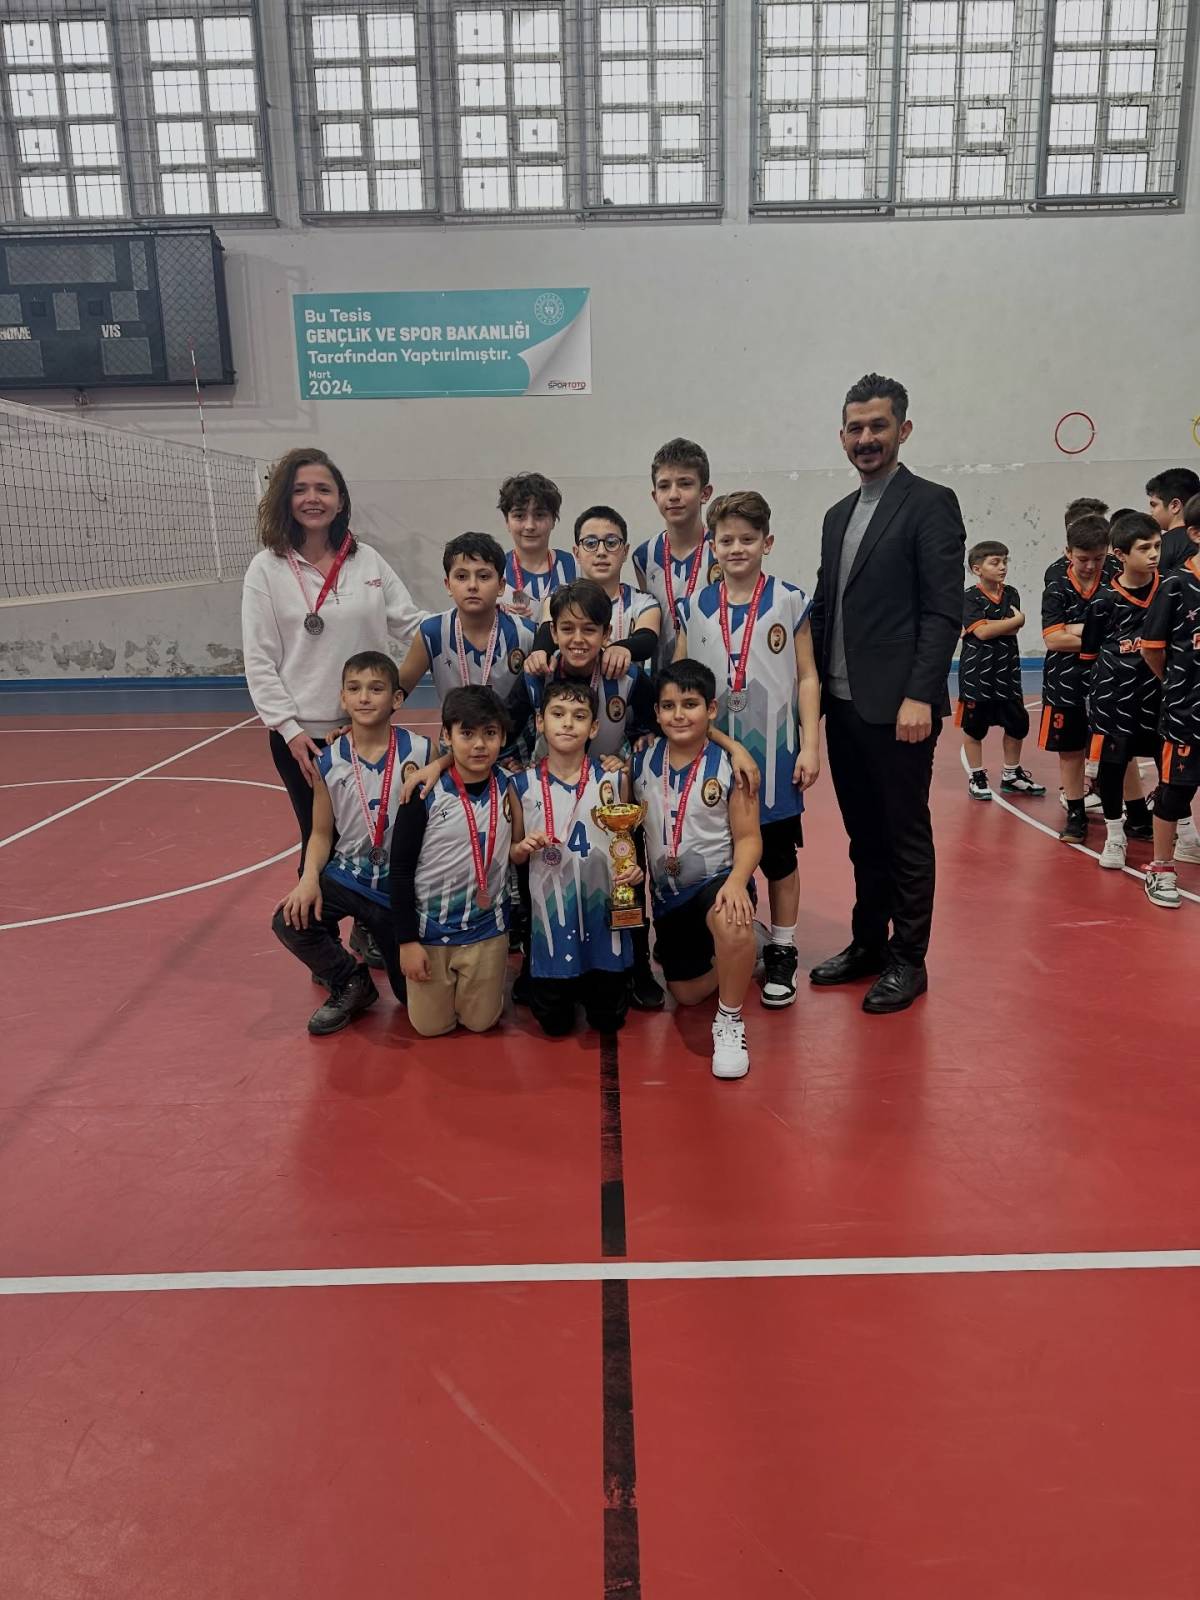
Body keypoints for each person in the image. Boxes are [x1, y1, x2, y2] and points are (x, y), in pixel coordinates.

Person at [808, 373, 966, 1013]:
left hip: (900, 709)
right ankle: (869, 943)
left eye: (878, 426)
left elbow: (943, 610)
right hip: (844, 706)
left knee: (904, 836)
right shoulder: (836, 515)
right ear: (842, 436)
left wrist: (920, 695)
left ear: (903, 429)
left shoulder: (930, 503)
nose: (866, 438)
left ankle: (908, 960)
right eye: (856, 428)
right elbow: (825, 605)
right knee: (862, 836)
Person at [242, 447, 425, 969]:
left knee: (377, 832)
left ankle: (370, 928)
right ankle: (328, 958)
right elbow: (259, 658)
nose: (312, 498)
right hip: (304, 738)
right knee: (320, 839)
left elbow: (413, 625)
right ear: (285, 499)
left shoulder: (367, 561)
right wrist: (290, 730)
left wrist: (475, 617)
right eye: (300, 489)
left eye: (323, 489)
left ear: (341, 499)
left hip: (367, 730)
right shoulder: (266, 568)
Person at [674, 490, 820, 1007]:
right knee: (720, 852)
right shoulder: (693, 607)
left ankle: (782, 946)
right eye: (726, 540)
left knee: (778, 856)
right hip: (713, 754)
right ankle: (724, 935)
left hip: (775, 757)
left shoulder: (789, 600)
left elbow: (807, 676)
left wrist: (810, 745)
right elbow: (681, 681)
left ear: (767, 542)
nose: (737, 548)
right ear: (711, 545)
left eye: (748, 539)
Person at [512, 579, 662, 1010]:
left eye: (589, 630)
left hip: (609, 793)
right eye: (568, 629)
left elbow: (653, 728)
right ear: (553, 632)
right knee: (536, 872)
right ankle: (535, 960)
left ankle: (635, 966)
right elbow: (504, 726)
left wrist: (627, 760)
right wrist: (515, 770)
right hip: (548, 792)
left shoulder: (628, 677)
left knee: (626, 868)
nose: (578, 639)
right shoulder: (537, 676)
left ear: (606, 633)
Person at [270, 652, 432, 1035]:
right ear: (342, 698)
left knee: (413, 1001)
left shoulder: (423, 752)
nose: (364, 697)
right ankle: (350, 981)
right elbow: (321, 833)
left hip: (399, 889)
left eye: (376, 689)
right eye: (354, 689)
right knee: (290, 919)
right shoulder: (328, 761)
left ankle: (386, 947)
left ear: (396, 698)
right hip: (350, 876)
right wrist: (309, 878)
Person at [631, 661, 762, 1080]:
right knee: (685, 994)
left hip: (716, 882)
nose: (679, 715)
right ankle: (747, 953)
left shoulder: (730, 767)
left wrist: (738, 882)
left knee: (732, 919)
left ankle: (730, 1020)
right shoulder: (640, 761)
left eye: (690, 704)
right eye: (669, 706)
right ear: (656, 713)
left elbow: (749, 839)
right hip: (669, 897)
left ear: (711, 709)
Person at [509, 680, 637, 1035]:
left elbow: (625, 843)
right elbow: (514, 854)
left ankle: (604, 976)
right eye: (558, 714)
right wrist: (522, 848)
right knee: (554, 1024)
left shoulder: (613, 780)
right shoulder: (521, 786)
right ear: (540, 722)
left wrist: (632, 870)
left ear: (593, 727)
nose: (567, 723)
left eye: (579, 716)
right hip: (552, 919)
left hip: (603, 916)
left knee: (608, 1020)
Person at [390, 686, 514, 1037]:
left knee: (482, 1022)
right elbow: (400, 870)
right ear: (446, 736)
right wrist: (406, 941)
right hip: (431, 931)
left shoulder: (513, 787)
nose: (479, 745)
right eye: (467, 734)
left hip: (487, 929)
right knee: (429, 1027)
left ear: (503, 737)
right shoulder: (423, 794)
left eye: (490, 733)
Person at [397, 531, 534, 761]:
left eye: (484, 576)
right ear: (448, 584)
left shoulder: (526, 634)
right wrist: (356, 728)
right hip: (455, 753)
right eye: (461, 576)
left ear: (501, 585)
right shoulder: (432, 633)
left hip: (513, 755)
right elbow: (395, 692)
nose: (472, 585)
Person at [1080, 512, 1161, 870]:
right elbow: (1089, 654)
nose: (1154, 554)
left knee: (1172, 768)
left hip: (1160, 698)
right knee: (1112, 768)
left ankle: (1184, 830)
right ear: (1121, 554)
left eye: (1157, 545)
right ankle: (1115, 835)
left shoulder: (1171, 589)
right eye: (1144, 548)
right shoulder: (1103, 600)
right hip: (1114, 700)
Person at [1140, 496, 1200, 905]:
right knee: (1175, 791)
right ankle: (1161, 867)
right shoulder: (1176, 585)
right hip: (1186, 712)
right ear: (1194, 533)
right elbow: (1151, 648)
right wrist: (1176, 683)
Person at [1039, 513, 1111, 842]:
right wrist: (1102, 636)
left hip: (1110, 678)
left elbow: (1128, 630)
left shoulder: (1115, 580)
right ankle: (1076, 812)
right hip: (1064, 680)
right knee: (1070, 750)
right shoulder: (1056, 588)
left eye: (1098, 558)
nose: (1091, 566)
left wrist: (1076, 630)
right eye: (1083, 559)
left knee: (1115, 746)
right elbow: (1053, 640)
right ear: (1068, 552)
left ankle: (1128, 812)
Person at [525, 505, 662, 676]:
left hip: (624, 690)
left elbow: (647, 639)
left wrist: (621, 648)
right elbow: (546, 634)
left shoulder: (644, 603)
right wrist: (540, 652)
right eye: (590, 543)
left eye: (611, 543)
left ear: (625, 552)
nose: (601, 552)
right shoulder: (557, 598)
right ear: (576, 553)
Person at [957, 540, 1044, 802]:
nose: (1002, 567)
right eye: (995, 562)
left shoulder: (1011, 593)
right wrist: (1015, 620)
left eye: (1005, 561)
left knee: (1017, 724)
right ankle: (976, 776)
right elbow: (982, 633)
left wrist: (1007, 624)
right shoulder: (969, 597)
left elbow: (1010, 628)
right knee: (974, 728)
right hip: (977, 674)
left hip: (1007, 672)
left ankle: (1011, 774)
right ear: (977, 569)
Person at [633, 438, 721, 672]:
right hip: (663, 680)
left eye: (685, 484)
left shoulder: (723, 550)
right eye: (664, 486)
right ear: (655, 496)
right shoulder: (643, 556)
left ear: (705, 493)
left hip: (716, 676)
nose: (673, 494)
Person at [498, 471, 576, 619]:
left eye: (539, 515)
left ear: (554, 520)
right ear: (507, 521)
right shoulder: (495, 570)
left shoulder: (574, 566)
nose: (530, 526)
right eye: (519, 516)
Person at [1146, 468, 1200, 574]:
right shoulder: (1196, 540)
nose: (1151, 512)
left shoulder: (1159, 547)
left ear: (1175, 506)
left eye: (1154, 505)